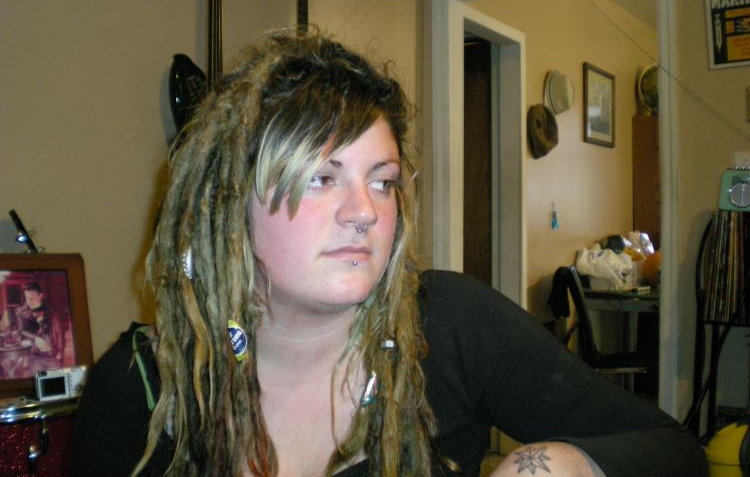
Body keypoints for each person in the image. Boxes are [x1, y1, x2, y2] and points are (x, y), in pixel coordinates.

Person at [71, 30, 708, 477]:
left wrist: (561, 463)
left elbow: (676, 452)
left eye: (382, 181)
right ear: (228, 202)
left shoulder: (448, 325)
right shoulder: (139, 391)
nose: (365, 211)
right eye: (322, 178)